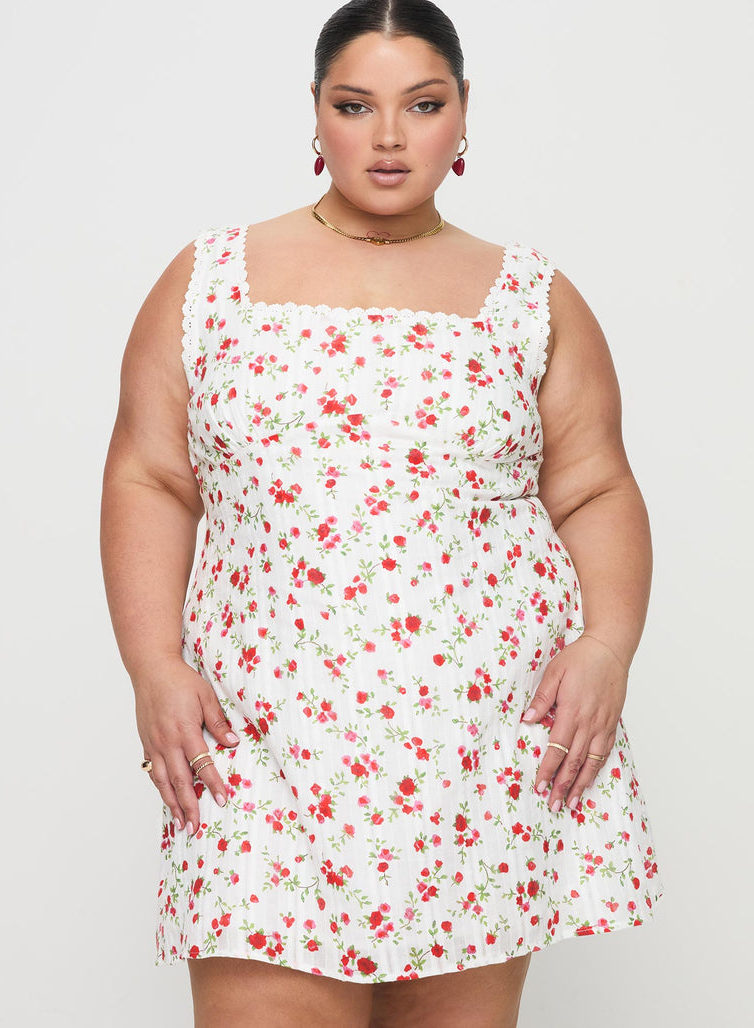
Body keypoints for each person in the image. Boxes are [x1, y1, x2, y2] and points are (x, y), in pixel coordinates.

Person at [100, 1, 663, 1024]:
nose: (391, 136)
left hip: (480, 743)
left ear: (463, 114)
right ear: (316, 114)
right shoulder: (211, 280)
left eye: (424, 104)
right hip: (261, 736)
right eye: (356, 105)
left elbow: (594, 485)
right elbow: (151, 475)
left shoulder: (530, 296)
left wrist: (607, 646)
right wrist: (153, 666)